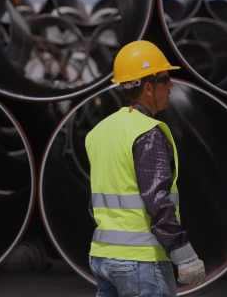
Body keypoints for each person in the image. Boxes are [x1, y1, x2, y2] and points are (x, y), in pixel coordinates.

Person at [86, 40, 206, 297]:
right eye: (166, 79)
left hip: (102, 257)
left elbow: (95, 202)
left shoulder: (99, 131)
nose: (171, 85)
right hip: (140, 261)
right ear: (149, 87)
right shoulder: (147, 133)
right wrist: (183, 254)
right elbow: (158, 199)